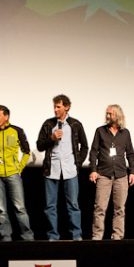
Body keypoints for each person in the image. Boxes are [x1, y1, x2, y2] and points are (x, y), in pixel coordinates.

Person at [36, 94, 88, 241]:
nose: (55, 110)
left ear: (67, 107)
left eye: (58, 107)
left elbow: (85, 146)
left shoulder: (75, 124)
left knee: (73, 205)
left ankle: (76, 236)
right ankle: (53, 236)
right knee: (50, 206)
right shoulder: (48, 124)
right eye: (54, 107)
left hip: (70, 170)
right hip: (51, 170)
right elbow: (39, 145)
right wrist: (51, 139)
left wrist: (77, 164)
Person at [0, 105, 35, 241]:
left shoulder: (16, 130)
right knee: (1, 210)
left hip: (13, 174)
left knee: (20, 208)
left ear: (6, 117)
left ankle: (28, 237)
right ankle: (5, 238)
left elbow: (26, 152)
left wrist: (19, 168)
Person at [88, 104, 134, 240]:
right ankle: (97, 236)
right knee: (100, 208)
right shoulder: (100, 131)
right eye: (107, 113)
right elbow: (93, 152)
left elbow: (130, 154)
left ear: (118, 115)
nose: (107, 116)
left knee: (119, 209)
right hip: (103, 174)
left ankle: (117, 236)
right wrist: (93, 170)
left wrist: (132, 172)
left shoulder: (125, 133)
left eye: (110, 114)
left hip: (121, 175)